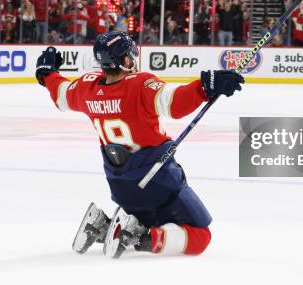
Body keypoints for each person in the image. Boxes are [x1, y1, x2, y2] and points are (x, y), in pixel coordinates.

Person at [35, 32, 244, 258]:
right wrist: (205, 87)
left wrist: (48, 75)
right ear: (125, 61)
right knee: (201, 237)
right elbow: (174, 103)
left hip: (120, 186)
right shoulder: (140, 85)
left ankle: (103, 226)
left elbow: (61, 95)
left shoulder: (88, 89)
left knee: (148, 214)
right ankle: (138, 236)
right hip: (156, 181)